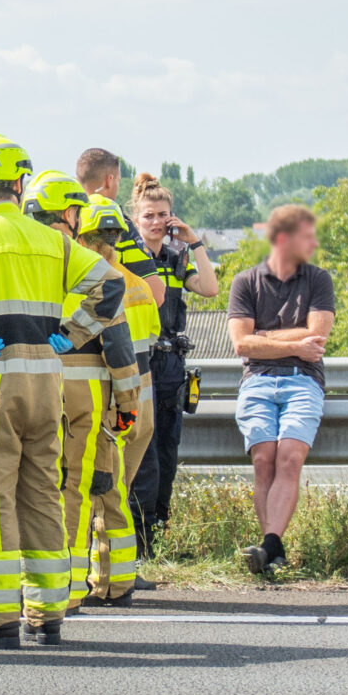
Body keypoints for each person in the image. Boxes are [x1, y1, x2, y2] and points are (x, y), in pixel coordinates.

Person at [0, 135, 120, 648]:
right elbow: (110, 286)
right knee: (42, 497)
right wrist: (73, 334)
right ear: (19, 183)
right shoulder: (54, 242)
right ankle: (47, 615)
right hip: (46, 382)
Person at [27, 173, 141, 625]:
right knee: (80, 488)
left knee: (39, 489)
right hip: (86, 393)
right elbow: (119, 349)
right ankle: (81, 587)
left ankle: (44, 587)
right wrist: (128, 404)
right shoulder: (92, 271)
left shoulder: (28, 262)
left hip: (32, 383)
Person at [227, 204, 334, 576]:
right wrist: (293, 343)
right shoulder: (245, 282)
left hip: (303, 379)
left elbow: (316, 337)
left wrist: (264, 337)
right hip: (257, 380)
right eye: (308, 237)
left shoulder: (318, 280)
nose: (314, 244)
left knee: (289, 457)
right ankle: (272, 550)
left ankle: (270, 545)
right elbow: (242, 345)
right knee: (263, 460)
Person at [127, 174, 220, 553]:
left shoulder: (176, 258)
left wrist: (193, 242)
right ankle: (138, 537)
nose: (156, 222)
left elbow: (210, 288)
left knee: (167, 451)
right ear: (136, 218)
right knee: (143, 454)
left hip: (171, 365)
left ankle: (157, 529)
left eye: (163, 215)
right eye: (148, 215)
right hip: (139, 360)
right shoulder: (129, 258)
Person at [74, 148, 161, 494]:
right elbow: (150, 336)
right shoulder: (140, 287)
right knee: (118, 494)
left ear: (80, 237)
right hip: (141, 405)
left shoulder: (81, 289)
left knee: (92, 495)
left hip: (104, 403)